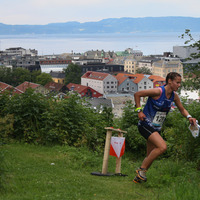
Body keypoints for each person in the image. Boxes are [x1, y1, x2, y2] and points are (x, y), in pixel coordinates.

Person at [133, 72, 196, 183]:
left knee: (150, 156)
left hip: (156, 128)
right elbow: (137, 94)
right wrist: (139, 111)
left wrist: (189, 117)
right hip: (145, 124)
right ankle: (141, 170)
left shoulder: (174, 96)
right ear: (170, 81)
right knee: (162, 147)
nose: (179, 85)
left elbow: (182, 109)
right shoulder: (158, 91)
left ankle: (138, 178)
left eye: (180, 83)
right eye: (177, 82)